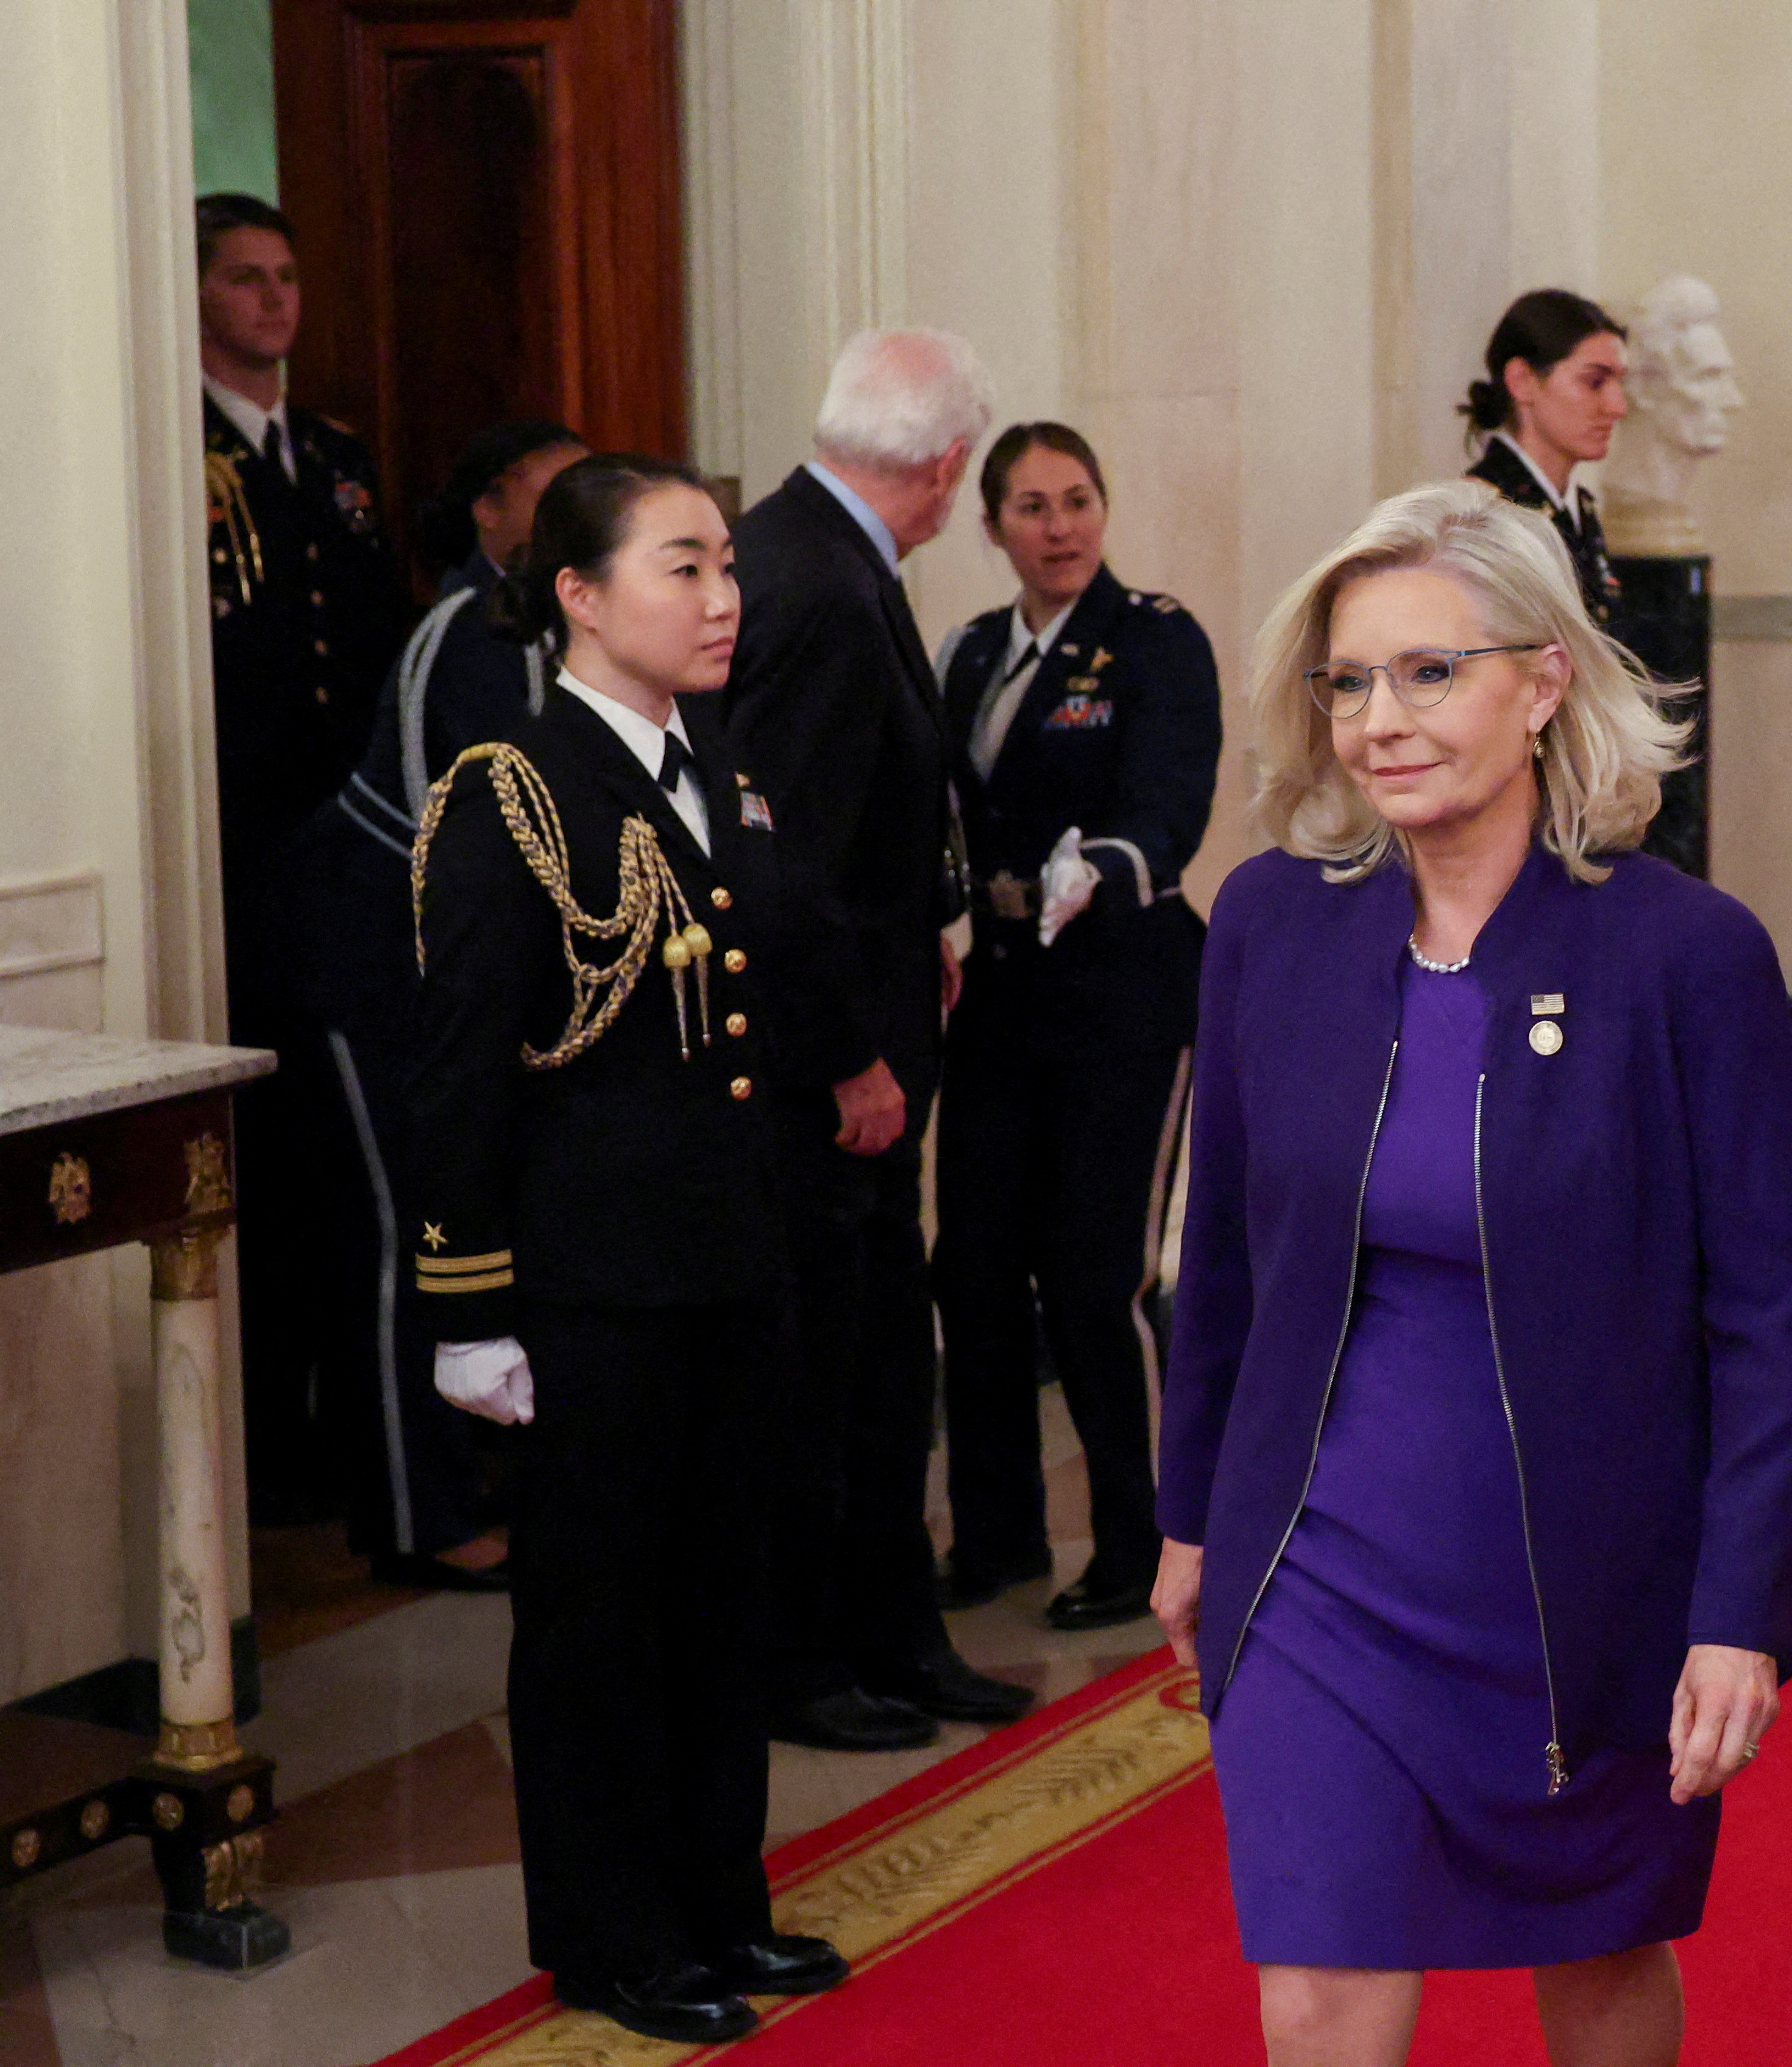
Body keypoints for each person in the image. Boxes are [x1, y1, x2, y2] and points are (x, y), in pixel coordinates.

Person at [1154, 480, 1792, 2067]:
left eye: (1429, 673)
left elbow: (1773, 1316)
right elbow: (1227, 1267)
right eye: (1348, 682)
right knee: (1323, 1982)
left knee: (1598, 1970)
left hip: (1582, 1584)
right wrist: (1193, 1514)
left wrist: (1738, 1609)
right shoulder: (1270, 925)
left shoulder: (1685, 955)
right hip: (1315, 1564)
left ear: (1542, 683)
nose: (1378, 720)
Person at [406, 453, 848, 2045]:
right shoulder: (509, 790)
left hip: (726, 1263)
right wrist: (464, 1305)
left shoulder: (714, 762)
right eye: (683, 568)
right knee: (598, 1622)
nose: (723, 598)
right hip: (591, 1288)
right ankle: (611, 1936)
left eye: (726, 565)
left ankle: (720, 1905)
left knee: (723, 1598)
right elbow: (457, 1063)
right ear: (579, 595)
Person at [726, 327, 1032, 1751]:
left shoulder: (817, 552)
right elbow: (786, 860)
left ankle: (895, 1640)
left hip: (874, 1025)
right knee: (825, 1371)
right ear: (948, 463)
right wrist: (850, 1047)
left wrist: (927, 944)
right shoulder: (814, 582)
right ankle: (804, 1657)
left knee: (876, 1362)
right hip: (820, 1073)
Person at [282, 418, 587, 1592]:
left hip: (451, 971)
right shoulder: (467, 627)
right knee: (397, 1230)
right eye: (550, 492)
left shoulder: (551, 623)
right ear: (492, 512)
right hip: (367, 958)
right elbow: (455, 825)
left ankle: (476, 1469)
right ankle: (415, 1513)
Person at [930, 422, 1221, 1628]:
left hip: (1124, 992)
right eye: (1033, 507)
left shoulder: (1153, 639)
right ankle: (996, 1535)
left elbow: (1171, 805)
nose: (1060, 527)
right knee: (977, 1266)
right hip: (1000, 992)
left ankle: (1142, 1539)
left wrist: (1102, 863)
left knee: (1096, 1277)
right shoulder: (968, 651)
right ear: (994, 524)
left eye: (1079, 500)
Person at [196, 190, 413, 1523]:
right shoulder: (180, 458)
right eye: (244, 280)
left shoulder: (331, 456)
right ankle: (273, 1441)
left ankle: (342, 1428)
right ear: (199, 298)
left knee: (349, 1166)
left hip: (352, 854)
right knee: (272, 1165)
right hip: (240, 851)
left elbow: (375, 644)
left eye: (286, 277)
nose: (274, 301)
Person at [1461, 289, 1627, 627]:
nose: (1618, 407)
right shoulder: (1482, 513)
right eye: (1595, 382)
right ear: (1522, 382)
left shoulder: (1579, 508)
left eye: (1619, 384)